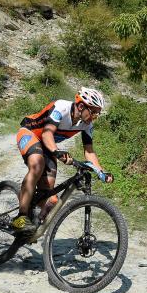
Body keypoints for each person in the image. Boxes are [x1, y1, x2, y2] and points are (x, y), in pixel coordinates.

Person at [11, 87, 113, 235]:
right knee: (37, 165)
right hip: (30, 133)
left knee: (50, 197)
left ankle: (33, 226)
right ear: (81, 106)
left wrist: (101, 172)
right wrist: (57, 152)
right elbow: (46, 134)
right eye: (93, 112)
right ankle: (20, 218)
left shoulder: (87, 125)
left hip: (48, 146)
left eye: (97, 113)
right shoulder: (61, 108)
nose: (94, 117)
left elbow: (89, 151)